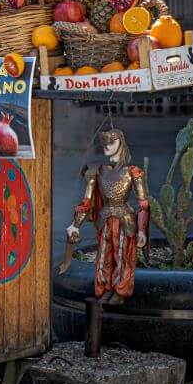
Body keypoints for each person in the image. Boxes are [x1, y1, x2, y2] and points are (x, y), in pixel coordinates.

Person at [65, 129, 149, 304]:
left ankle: (120, 290)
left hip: (125, 219)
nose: (107, 146)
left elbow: (143, 204)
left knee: (123, 255)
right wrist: (75, 224)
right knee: (104, 255)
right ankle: (105, 288)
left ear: (121, 143)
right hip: (104, 220)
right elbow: (86, 201)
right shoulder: (97, 171)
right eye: (105, 143)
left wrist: (141, 230)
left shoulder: (132, 172)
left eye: (111, 142)